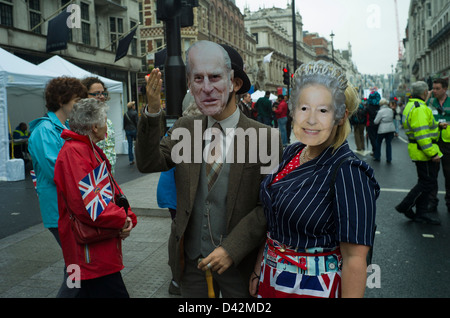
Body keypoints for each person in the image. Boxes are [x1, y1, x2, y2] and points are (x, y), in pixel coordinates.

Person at [136, 41, 282, 298]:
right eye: (198, 79)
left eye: (215, 78)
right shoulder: (186, 128)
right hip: (193, 266)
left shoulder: (265, 137)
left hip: (239, 267)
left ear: (235, 84)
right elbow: (149, 162)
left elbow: (268, 206)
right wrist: (152, 110)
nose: (206, 88)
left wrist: (232, 249)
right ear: (190, 85)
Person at [250, 60, 380, 298]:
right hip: (271, 282)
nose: (311, 119)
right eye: (303, 108)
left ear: (340, 116)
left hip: (313, 288)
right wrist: (260, 267)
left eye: (323, 110)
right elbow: (273, 221)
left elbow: (355, 259)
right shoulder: (292, 152)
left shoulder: (349, 172)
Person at [54, 98, 137, 298]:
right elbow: (90, 207)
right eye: (105, 119)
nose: (107, 124)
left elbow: (110, 194)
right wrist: (122, 218)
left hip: (94, 251)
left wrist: (127, 216)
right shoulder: (76, 152)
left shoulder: (83, 149)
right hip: (92, 254)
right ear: (94, 126)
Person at [28, 76, 88, 297]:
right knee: (76, 267)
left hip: (70, 207)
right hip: (60, 209)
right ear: (62, 100)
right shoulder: (44, 130)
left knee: (77, 264)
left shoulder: (65, 127)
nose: (80, 106)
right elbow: (59, 171)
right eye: (76, 100)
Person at [395, 81, 443, 225]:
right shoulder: (419, 108)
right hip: (424, 152)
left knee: (426, 182)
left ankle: (421, 214)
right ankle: (405, 205)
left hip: (419, 150)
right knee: (427, 183)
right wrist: (432, 153)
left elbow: (423, 128)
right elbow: (422, 134)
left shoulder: (412, 105)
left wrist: (438, 126)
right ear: (424, 93)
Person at [81, 77, 117, 174]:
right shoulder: (78, 123)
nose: (101, 97)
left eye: (103, 93)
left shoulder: (108, 122)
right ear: (84, 95)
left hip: (109, 176)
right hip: (91, 179)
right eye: (97, 93)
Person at [427, 78, 450, 213]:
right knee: (432, 175)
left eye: (437, 88)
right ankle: (432, 201)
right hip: (434, 143)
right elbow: (422, 113)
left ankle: (449, 200)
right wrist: (427, 97)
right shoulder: (430, 102)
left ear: (445, 89)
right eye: (433, 88)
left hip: (448, 143)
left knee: (449, 175)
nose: (434, 91)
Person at [374, 98, 395, 163]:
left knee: (378, 142)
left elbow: (376, 122)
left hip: (382, 129)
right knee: (388, 144)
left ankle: (377, 157)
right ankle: (389, 158)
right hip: (391, 128)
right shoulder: (390, 110)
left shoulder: (380, 111)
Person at [366, 91, 380, 155]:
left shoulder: (368, 107)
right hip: (378, 124)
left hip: (370, 124)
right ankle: (376, 151)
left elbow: (364, 114)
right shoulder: (379, 106)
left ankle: (375, 151)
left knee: (372, 138)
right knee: (377, 138)